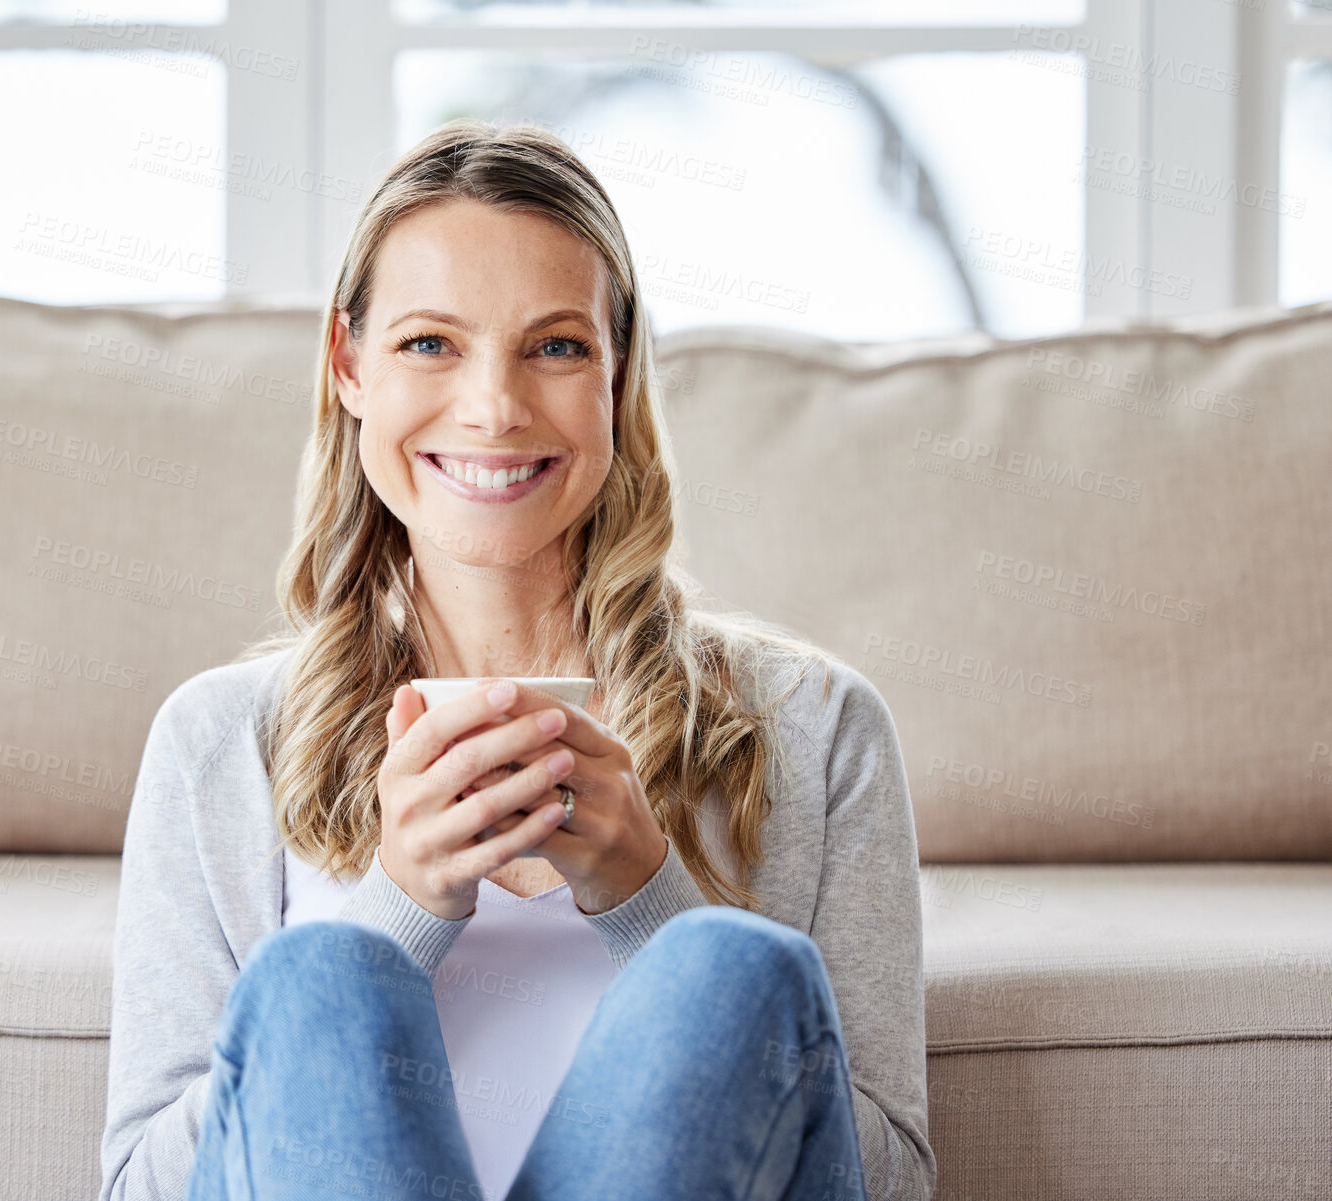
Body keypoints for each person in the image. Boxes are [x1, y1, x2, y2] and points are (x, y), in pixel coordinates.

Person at [97, 119, 935, 1201]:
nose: (494, 407)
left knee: (730, 967)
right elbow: (137, 1187)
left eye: (555, 346)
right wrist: (396, 908)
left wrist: (649, 898)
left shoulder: (819, 729)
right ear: (349, 365)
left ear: (617, 371)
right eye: (429, 343)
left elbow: (896, 1182)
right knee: (323, 978)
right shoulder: (220, 742)